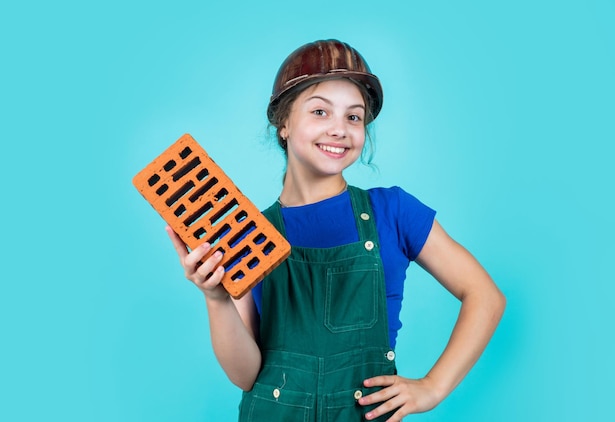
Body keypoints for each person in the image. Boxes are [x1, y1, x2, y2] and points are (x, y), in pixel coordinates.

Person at [166, 39, 506, 421]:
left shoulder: (392, 212)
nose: (339, 129)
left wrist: (433, 387)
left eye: (353, 117)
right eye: (320, 111)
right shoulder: (247, 233)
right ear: (284, 124)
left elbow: (485, 296)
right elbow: (245, 375)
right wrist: (216, 299)